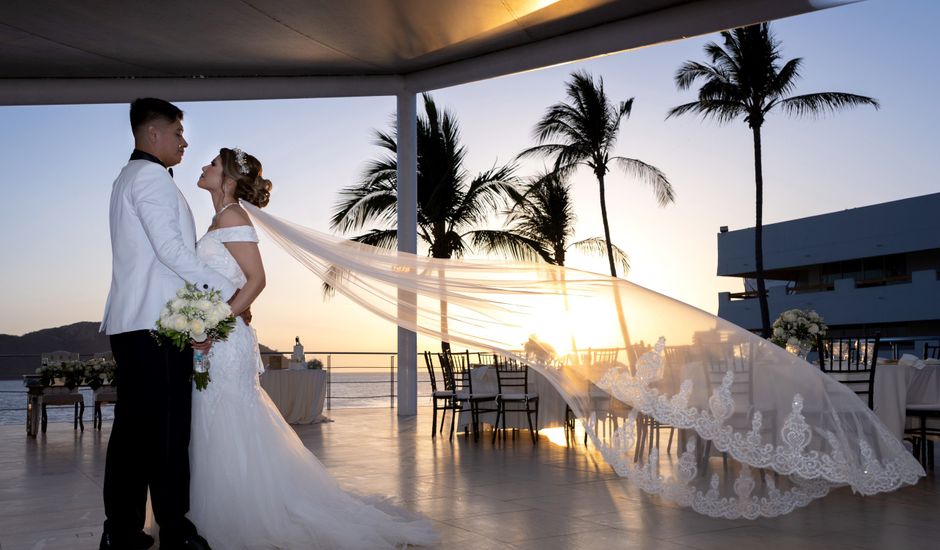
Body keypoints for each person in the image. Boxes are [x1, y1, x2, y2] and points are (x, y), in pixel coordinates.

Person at [188, 147, 439, 549]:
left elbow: (256, 280)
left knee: (227, 420)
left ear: (230, 178)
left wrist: (212, 325)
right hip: (215, 337)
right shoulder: (219, 219)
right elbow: (229, 282)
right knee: (216, 420)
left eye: (213, 164)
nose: (203, 167)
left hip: (221, 338)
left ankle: (243, 515)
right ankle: (215, 511)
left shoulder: (233, 216)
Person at [100, 98, 232, 550]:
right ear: (153, 134)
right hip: (156, 326)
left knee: (134, 434)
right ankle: (176, 532)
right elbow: (172, 253)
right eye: (178, 132)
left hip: (133, 323)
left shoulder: (127, 177)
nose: (184, 141)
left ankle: (121, 532)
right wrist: (227, 293)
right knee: (168, 433)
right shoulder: (152, 178)